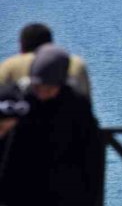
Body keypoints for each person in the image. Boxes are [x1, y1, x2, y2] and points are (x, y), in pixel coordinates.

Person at [0, 44, 102, 206]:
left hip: (63, 193)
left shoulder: (76, 105)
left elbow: (92, 157)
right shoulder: (16, 99)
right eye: (38, 87)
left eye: (49, 89)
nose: (42, 93)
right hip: (19, 191)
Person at [0, 23, 91, 99]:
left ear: (21, 46)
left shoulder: (8, 66)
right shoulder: (75, 63)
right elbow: (86, 100)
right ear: (51, 43)